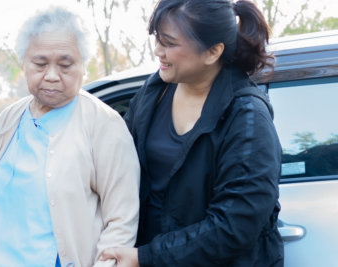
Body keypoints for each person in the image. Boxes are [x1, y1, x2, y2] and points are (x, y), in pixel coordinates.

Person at [0, 7, 140, 267]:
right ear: (23, 63)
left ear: (84, 65)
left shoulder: (104, 125)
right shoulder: (7, 120)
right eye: (40, 63)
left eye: (65, 64)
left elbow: (121, 222)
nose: (51, 75)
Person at [101, 0, 283, 266]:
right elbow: (116, 164)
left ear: (213, 52)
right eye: (157, 40)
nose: (158, 51)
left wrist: (146, 257)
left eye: (169, 43)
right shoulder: (154, 93)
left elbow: (234, 226)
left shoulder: (247, 117)